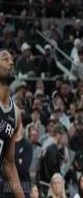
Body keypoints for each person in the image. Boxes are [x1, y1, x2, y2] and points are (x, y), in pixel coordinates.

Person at [0, 50, 24, 198]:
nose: (11, 63)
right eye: (5, 59)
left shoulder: (16, 114)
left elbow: (9, 164)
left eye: (12, 60)